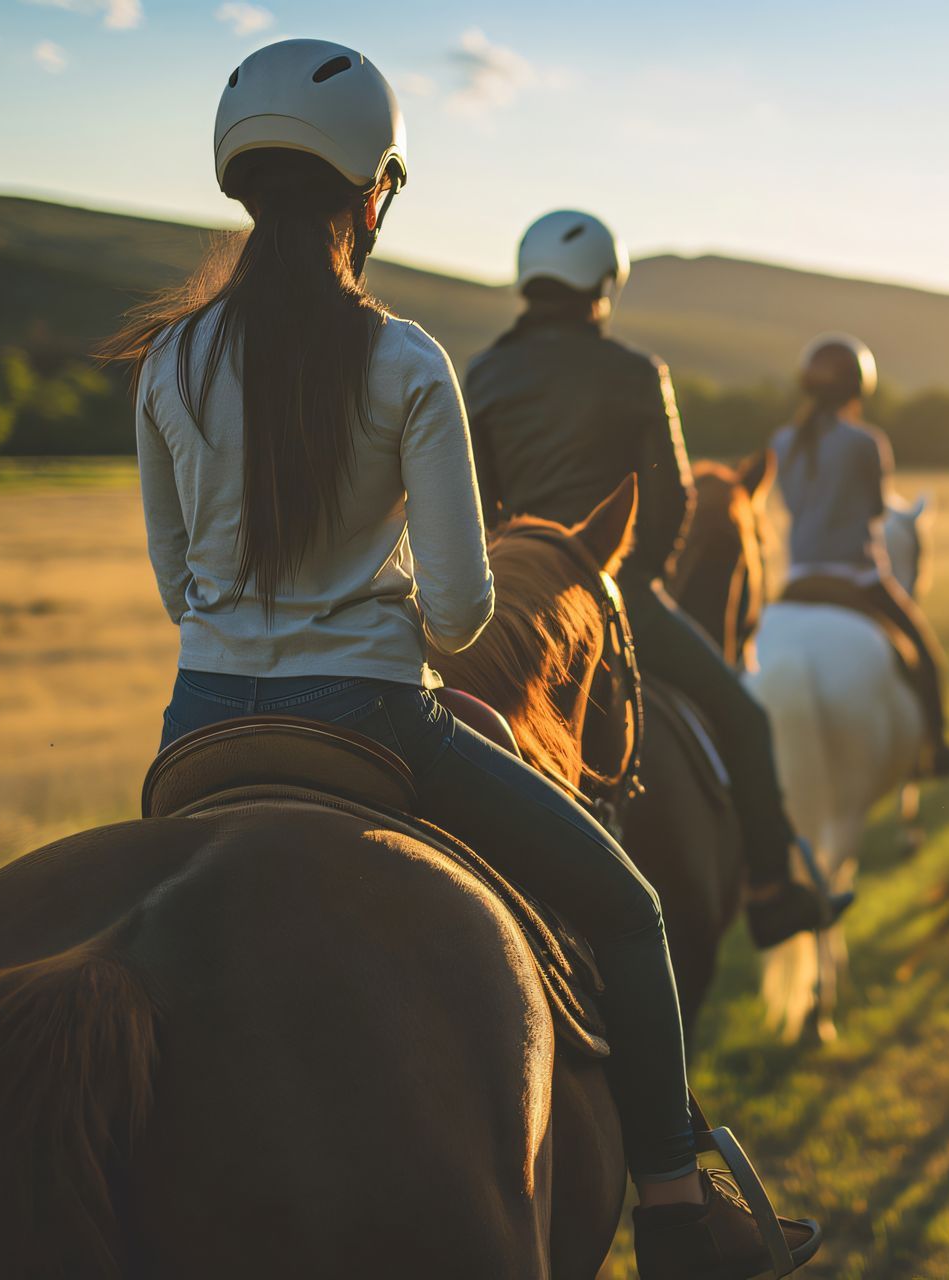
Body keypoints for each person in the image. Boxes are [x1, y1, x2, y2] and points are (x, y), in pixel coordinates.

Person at [106, 40, 817, 1277]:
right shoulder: (403, 358)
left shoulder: (170, 358)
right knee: (631, 908)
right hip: (378, 726)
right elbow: (452, 619)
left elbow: (178, 588)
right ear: (372, 194)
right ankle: (675, 1212)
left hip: (199, 733)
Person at [463, 210, 851, 950]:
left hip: (510, 609)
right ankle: (771, 890)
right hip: (614, 594)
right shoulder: (639, 373)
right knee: (745, 718)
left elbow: (479, 506)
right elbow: (670, 497)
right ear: (603, 287)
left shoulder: (482, 374)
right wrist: (632, 584)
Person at [768, 334, 949, 775]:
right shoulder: (865, 441)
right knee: (926, 653)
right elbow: (876, 510)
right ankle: (941, 747)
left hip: (797, 576)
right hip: (857, 576)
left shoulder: (782, 441)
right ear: (858, 389)